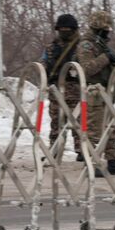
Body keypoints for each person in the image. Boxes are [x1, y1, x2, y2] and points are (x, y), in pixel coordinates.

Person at [78, 9, 115, 176]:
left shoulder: (101, 44)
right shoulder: (87, 45)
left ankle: (112, 161)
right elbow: (87, 68)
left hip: (106, 91)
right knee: (93, 130)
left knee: (110, 129)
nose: (108, 33)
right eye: (105, 29)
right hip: (94, 92)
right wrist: (106, 57)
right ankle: (91, 162)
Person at [41, 13, 85, 161]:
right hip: (56, 91)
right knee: (56, 123)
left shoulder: (81, 46)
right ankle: (54, 151)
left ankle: (82, 151)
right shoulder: (51, 47)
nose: (64, 32)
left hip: (75, 90)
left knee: (78, 122)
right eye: (62, 29)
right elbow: (44, 64)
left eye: (68, 29)